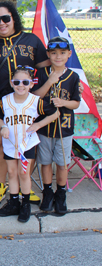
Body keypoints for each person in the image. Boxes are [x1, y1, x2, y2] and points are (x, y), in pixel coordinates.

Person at [0, 1, 50, 206]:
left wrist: (68, 81)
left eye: (6, 18)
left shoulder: (31, 40)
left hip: (27, 104)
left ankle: (23, 184)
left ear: (14, 18)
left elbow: (47, 68)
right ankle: (1, 184)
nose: (1, 23)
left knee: (27, 144)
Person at [0, 66, 58, 222]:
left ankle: (25, 204)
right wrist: (2, 126)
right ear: (12, 83)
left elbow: (55, 113)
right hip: (10, 143)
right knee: (11, 172)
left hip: (26, 143)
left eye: (25, 82)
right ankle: (14, 202)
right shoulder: (5, 101)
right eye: (17, 82)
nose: (20, 85)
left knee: (23, 173)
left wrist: (37, 125)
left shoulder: (35, 101)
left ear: (31, 84)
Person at [32, 36, 81, 215]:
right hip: (44, 128)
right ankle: (47, 192)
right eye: (53, 53)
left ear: (69, 54)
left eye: (62, 53)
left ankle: (61, 193)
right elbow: (35, 96)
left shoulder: (73, 77)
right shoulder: (42, 73)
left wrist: (63, 102)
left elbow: (76, 103)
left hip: (64, 129)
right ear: (48, 54)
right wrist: (50, 82)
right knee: (45, 162)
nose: (58, 56)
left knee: (61, 163)